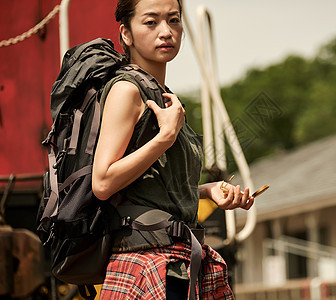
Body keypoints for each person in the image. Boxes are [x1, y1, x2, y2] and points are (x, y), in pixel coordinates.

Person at [91, 0, 255, 298]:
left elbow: (152, 186)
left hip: (176, 262)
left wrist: (207, 191)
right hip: (144, 265)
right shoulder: (126, 91)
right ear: (126, 33)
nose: (166, 31)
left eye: (174, 20)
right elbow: (103, 182)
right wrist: (165, 136)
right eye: (151, 22)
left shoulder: (163, 95)